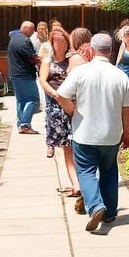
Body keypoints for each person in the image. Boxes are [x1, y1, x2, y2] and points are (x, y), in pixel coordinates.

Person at [54, 32, 129, 232]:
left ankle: (96, 205)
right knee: (109, 171)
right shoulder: (120, 75)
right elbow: (127, 109)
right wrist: (126, 133)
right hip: (111, 134)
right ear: (111, 51)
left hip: (85, 133)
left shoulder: (81, 72)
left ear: (91, 49)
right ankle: (110, 212)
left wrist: (71, 110)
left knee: (86, 171)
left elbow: (61, 94)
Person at [39, 28, 81, 196]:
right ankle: (76, 184)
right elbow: (42, 80)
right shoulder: (48, 61)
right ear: (52, 43)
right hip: (56, 108)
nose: (60, 45)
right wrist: (55, 95)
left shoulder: (72, 60)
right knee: (66, 147)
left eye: (63, 42)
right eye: (57, 42)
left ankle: (78, 183)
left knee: (76, 145)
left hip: (73, 106)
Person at [8, 21, 40, 134]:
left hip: (15, 74)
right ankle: (25, 124)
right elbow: (32, 58)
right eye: (32, 29)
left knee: (21, 100)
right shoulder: (25, 41)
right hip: (25, 74)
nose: (33, 32)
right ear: (26, 28)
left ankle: (21, 124)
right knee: (33, 99)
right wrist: (42, 60)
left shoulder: (14, 39)